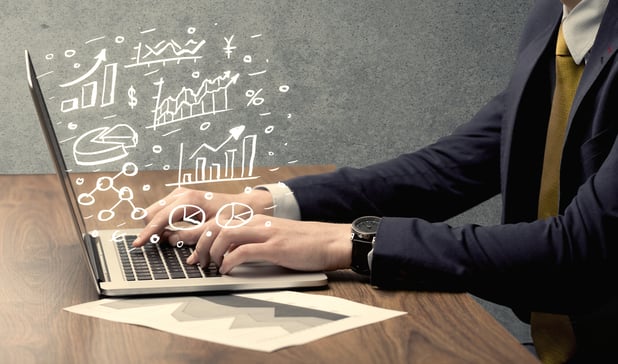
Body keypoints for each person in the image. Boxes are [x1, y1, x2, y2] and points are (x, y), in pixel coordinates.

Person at [133, 0, 617, 361]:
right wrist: (263, 203)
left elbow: (582, 252)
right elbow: (448, 170)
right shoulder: (560, 20)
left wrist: (355, 243)